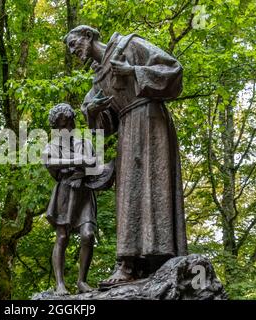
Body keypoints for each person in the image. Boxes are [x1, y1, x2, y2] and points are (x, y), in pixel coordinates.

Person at [64, 25, 188, 289]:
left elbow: (173, 70)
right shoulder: (97, 82)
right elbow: (101, 131)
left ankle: (160, 256)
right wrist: (92, 113)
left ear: (89, 36)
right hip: (127, 131)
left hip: (151, 122)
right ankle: (129, 264)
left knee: (155, 185)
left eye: (75, 44)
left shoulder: (129, 46)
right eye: (70, 49)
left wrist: (134, 71)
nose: (74, 51)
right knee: (129, 193)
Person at [42, 103, 97, 295]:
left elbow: (94, 164)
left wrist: (81, 175)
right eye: (62, 124)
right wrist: (78, 161)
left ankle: (82, 281)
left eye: (69, 122)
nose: (67, 127)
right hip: (64, 193)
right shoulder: (52, 145)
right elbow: (49, 162)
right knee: (62, 236)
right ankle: (60, 283)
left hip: (83, 192)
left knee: (88, 234)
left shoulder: (85, 142)